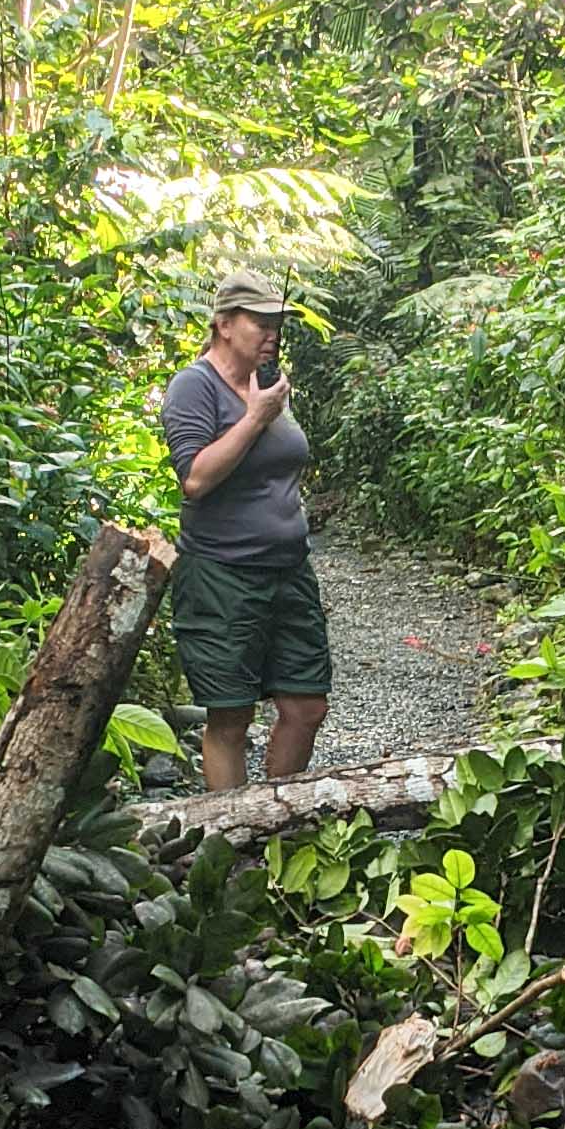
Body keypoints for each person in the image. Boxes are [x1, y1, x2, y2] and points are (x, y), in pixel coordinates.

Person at [159, 268, 332, 793]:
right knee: (230, 718)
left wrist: (265, 406)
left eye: (277, 322)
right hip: (222, 575)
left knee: (306, 705)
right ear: (224, 324)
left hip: (289, 571)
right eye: (261, 321)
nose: (272, 332)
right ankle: (232, 849)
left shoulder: (269, 385)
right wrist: (255, 417)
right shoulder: (193, 387)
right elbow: (195, 478)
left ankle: (274, 824)